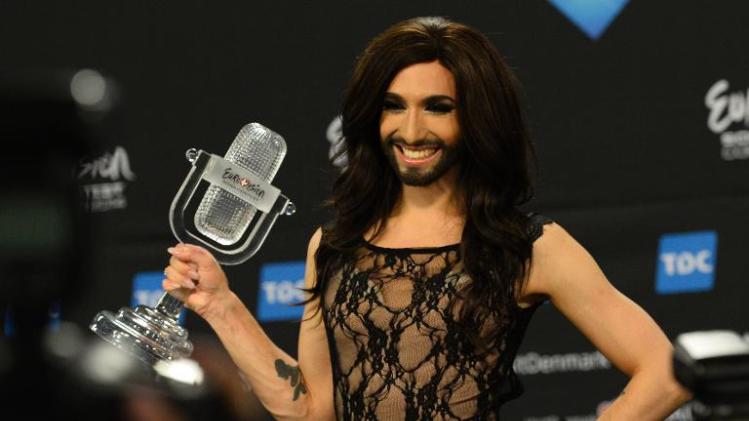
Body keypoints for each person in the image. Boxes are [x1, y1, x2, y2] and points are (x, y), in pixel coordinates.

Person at [163, 16, 691, 420]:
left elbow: (667, 374)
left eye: (437, 107)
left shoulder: (526, 245)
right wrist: (221, 306)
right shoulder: (334, 243)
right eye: (394, 106)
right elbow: (311, 410)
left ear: (478, 117)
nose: (411, 131)